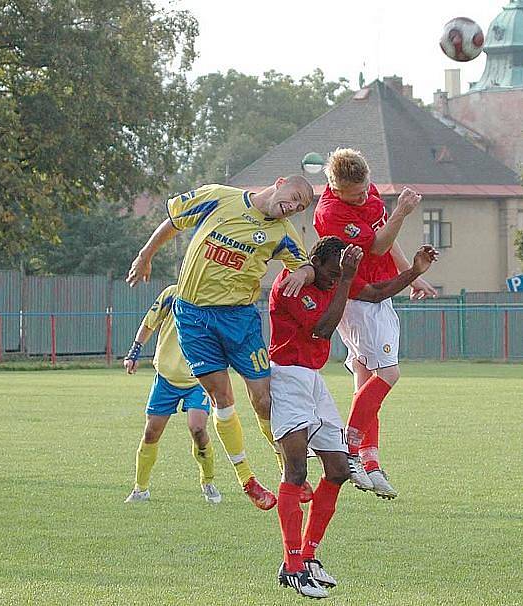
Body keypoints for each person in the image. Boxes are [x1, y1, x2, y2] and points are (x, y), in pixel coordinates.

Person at [127, 178, 315, 510]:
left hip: (239, 320)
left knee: (264, 400)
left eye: (300, 207)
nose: (293, 207)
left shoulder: (283, 233)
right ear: (280, 184)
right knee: (221, 398)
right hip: (194, 318)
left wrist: (304, 273)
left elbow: (305, 264)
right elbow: (174, 220)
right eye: (295, 198)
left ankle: (288, 469)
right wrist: (145, 255)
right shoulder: (217, 197)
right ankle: (247, 480)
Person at [269, 236, 438, 598]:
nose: (333, 280)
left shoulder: (336, 279)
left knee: (339, 470)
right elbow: (322, 329)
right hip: (286, 379)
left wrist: (413, 272)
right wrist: (344, 279)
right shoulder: (294, 283)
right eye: (329, 273)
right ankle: (293, 566)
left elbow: (376, 291)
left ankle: (309, 556)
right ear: (314, 262)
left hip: (313, 381)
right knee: (296, 472)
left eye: (338, 274)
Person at [313, 148, 437, 499]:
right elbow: (379, 246)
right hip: (359, 299)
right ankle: (348, 449)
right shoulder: (332, 213)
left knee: (367, 382)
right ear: (335, 189)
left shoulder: (368, 197)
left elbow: (388, 236)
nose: (362, 196)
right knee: (389, 374)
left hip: (380, 295)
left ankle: (370, 461)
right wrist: (402, 210)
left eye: (365, 188)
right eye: (354, 194)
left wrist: (411, 277)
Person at [123, 284, 221, 505]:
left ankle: (208, 481)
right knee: (151, 433)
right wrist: (134, 352)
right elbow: (149, 322)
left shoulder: (215, 296)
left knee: (197, 428)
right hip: (166, 377)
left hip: (199, 378)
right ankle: (141, 489)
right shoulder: (172, 294)